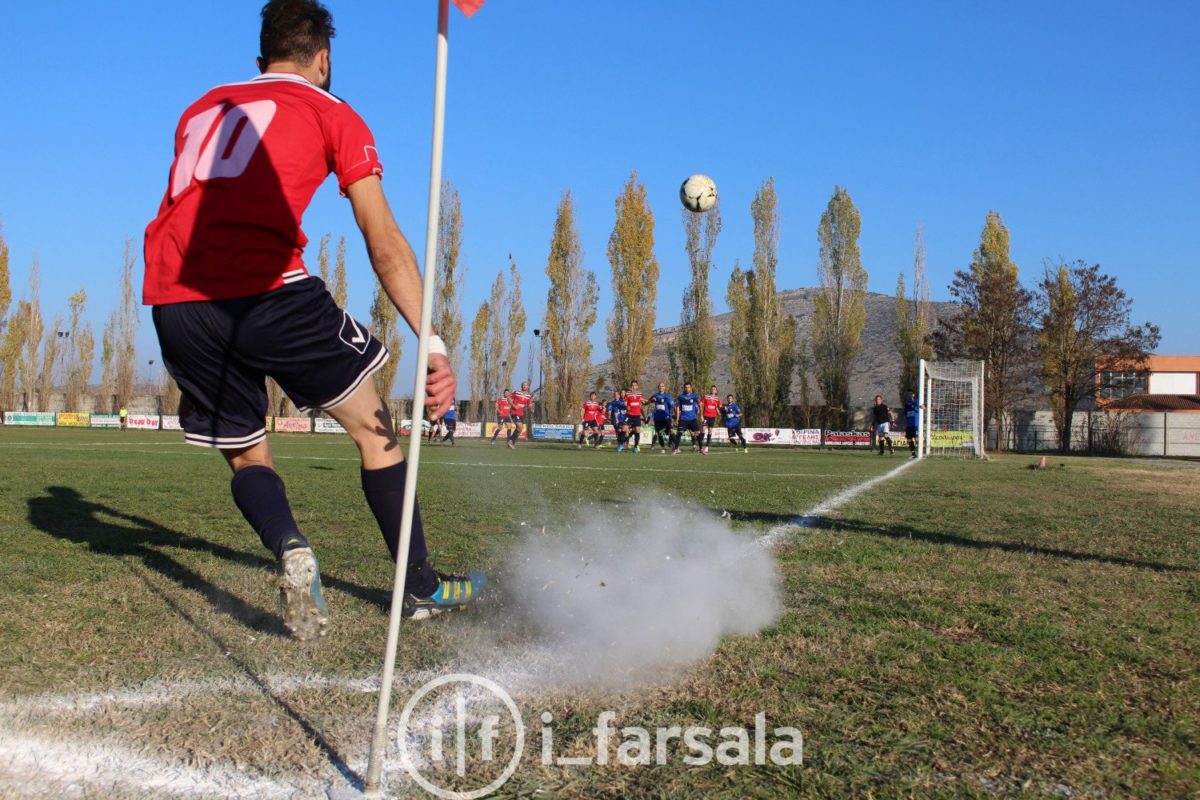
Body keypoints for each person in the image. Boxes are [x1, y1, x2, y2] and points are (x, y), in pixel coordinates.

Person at [142, 0, 482, 640]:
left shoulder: (200, 107)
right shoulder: (332, 111)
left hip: (174, 296)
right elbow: (381, 241)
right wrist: (432, 343)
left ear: (260, 57)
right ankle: (420, 586)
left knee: (248, 456)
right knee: (375, 430)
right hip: (268, 291)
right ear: (323, 59)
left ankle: (290, 544)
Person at [671, 383, 702, 455]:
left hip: (692, 419)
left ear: (691, 388)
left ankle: (701, 449)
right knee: (679, 433)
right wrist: (677, 418)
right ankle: (676, 449)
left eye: (688, 387)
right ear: (684, 388)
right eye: (686, 387)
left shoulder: (694, 396)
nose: (687, 389)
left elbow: (700, 405)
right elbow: (678, 408)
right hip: (683, 419)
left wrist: (701, 415)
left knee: (698, 434)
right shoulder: (680, 397)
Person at [648, 382, 674, 453]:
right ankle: (663, 447)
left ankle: (671, 444)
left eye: (662, 386)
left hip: (666, 417)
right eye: (660, 386)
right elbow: (649, 401)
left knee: (671, 431)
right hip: (657, 418)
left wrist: (672, 413)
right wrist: (644, 402)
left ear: (664, 387)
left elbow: (672, 405)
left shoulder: (668, 396)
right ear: (658, 388)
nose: (661, 387)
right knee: (658, 433)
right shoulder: (655, 395)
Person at [622, 380, 645, 454]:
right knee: (624, 429)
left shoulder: (639, 394)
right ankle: (623, 443)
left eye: (635, 385)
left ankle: (635, 447)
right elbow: (625, 402)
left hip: (637, 415)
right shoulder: (628, 394)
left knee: (637, 430)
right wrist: (627, 405)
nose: (633, 387)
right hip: (629, 414)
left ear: (637, 386)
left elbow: (643, 400)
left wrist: (650, 400)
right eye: (632, 385)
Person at [509, 381, 533, 448]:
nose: (524, 386)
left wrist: (531, 408)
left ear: (528, 387)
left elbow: (530, 404)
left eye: (526, 385)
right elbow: (509, 398)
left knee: (520, 429)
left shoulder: (528, 395)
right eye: (523, 385)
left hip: (521, 414)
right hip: (514, 412)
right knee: (519, 426)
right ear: (521, 386)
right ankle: (511, 441)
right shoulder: (517, 392)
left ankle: (511, 442)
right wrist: (514, 406)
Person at [700, 385, 722, 455]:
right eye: (712, 389)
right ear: (710, 390)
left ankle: (706, 446)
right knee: (703, 430)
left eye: (714, 389)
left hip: (712, 417)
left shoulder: (717, 399)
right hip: (706, 416)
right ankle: (701, 447)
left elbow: (720, 407)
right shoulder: (706, 396)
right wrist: (701, 415)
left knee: (710, 431)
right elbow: (700, 404)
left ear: (716, 391)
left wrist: (719, 410)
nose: (713, 390)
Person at [903, 391, 921, 458]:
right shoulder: (907, 403)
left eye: (911, 393)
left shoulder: (917, 401)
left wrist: (922, 407)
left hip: (915, 424)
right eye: (908, 393)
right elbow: (905, 413)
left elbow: (921, 407)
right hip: (909, 424)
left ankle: (921, 452)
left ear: (914, 395)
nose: (909, 395)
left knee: (916, 438)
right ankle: (913, 453)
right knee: (909, 439)